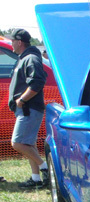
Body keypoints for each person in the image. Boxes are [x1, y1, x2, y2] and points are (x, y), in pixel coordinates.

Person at [5, 28, 48, 189]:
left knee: (17, 143)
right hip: (26, 109)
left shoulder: (31, 58)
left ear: (19, 42)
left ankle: (45, 169)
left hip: (29, 108)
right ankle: (36, 178)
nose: (11, 44)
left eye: (13, 41)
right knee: (29, 144)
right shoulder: (24, 58)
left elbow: (37, 82)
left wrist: (22, 100)